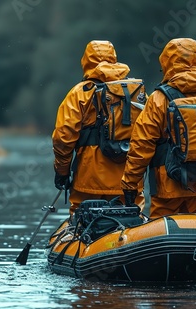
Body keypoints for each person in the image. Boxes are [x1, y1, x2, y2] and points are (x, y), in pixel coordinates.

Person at [121, 38, 196, 218]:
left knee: (162, 234)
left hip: (166, 190)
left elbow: (141, 145)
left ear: (166, 62)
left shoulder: (158, 99)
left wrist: (130, 185)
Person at [52, 40, 145, 215]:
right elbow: (151, 134)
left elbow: (63, 137)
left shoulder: (79, 93)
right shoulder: (135, 92)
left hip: (89, 180)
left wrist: (62, 171)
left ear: (86, 61)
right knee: (132, 218)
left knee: (83, 221)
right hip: (128, 179)